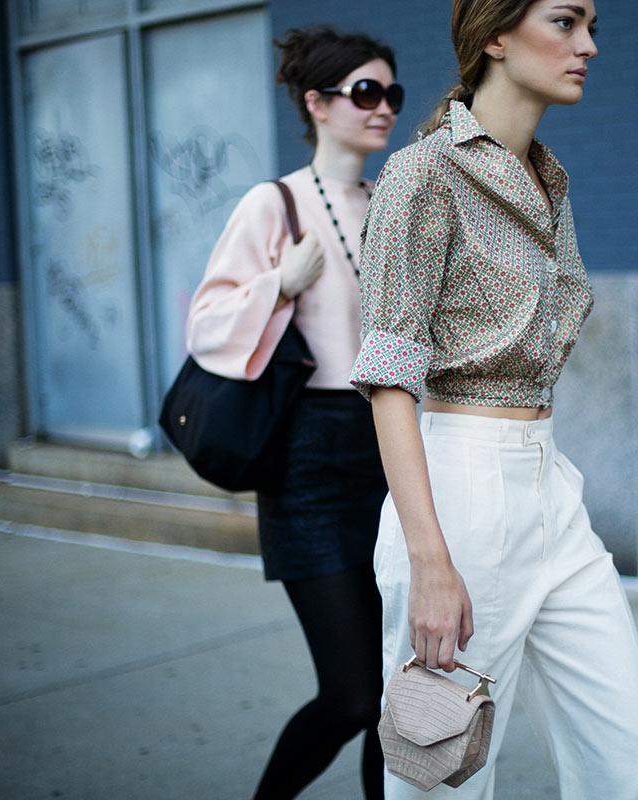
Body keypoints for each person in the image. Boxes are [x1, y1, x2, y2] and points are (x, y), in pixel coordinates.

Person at [349, 1, 638, 798]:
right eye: (565, 22)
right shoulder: (422, 174)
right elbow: (389, 377)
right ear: (495, 34)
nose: (588, 46)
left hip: (549, 486)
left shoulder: (547, 178)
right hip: (461, 489)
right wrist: (431, 561)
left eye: (592, 25)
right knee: (444, 776)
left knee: (632, 764)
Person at [185, 25, 404, 800]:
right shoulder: (272, 203)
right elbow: (206, 324)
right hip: (308, 460)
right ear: (316, 103)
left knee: (396, 694)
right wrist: (278, 282)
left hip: (391, 452)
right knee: (352, 695)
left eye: (391, 93)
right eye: (365, 92)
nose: (383, 108)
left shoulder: (389, 203)